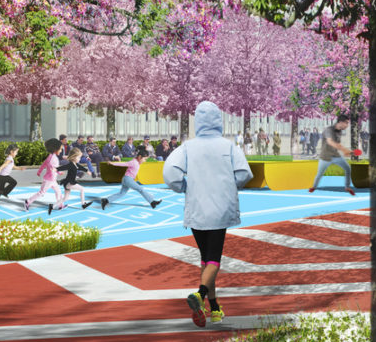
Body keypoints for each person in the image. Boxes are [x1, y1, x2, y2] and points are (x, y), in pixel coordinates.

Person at [164, 101, 252, 327]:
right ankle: (199, 294)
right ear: (218, 121)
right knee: (214, 260)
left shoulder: (187, 147)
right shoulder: (229, 146)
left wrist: (184, 187)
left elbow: (170, 173)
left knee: (205, 259)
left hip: (196, 208)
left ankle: (214, 308)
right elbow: (244, 173)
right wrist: (229, 186)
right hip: (220, 208)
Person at [86, 151, 160, 209]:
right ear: (140, 157)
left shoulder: (137, 162)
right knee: (141, 189)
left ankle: (105, 200)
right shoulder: (134, 162)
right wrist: (113, 163)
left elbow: (136, 163)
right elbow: (124, 164)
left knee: (122, 193)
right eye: (144, 159)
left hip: (126, 179)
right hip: (128, 179)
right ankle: (152, 202)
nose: (145, 161)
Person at [307, 113, 356, 196]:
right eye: (346, 123)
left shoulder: (339, 132)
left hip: (336, 155)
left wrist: (345, 152)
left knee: (347, 168)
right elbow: (330, 142)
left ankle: (347, 187)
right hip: (325, 156)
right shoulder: (328, 130)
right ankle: (314, 187)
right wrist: (344, 149)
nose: (347, 125)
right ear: (340, 122)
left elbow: (337, 144)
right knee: (320, 173)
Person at [22, 138, 66, 211]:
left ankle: (60, 205)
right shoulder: (52, 158)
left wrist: (39, 171)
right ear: (55, 149)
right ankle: (27, 202)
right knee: (41, 193)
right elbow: (53, 168)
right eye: (60, 149)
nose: (61, 151)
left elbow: (45, 164)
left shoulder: (51, 156)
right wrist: (58, 172)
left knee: (58, 191)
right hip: (49, 180)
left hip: (52, 180)